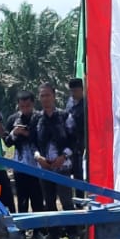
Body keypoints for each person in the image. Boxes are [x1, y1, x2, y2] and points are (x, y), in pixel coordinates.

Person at [34, 82, 75, 218]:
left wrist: (63, 156)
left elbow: (74, 141)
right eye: (42, 96)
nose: (45, 98)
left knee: (66, 202)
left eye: (48, 95)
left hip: (62, 166)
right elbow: (33, 143)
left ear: (54, 96)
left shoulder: (64, 117)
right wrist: (38, 157)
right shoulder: (37, 118)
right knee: (49, 201)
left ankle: (72, 232)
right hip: (44, 167)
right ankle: (53, 233)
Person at [5, 91, 44, 213]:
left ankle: (39, 230)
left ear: (33, 104)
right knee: (22, 199)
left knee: (37, 198)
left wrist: (26, 133)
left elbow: (42, 139)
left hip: (36, 165)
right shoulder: (13, 119)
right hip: (19, 165)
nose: (25, 109)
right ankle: (23, 229)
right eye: (22, 106)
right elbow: (7, 142)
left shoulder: (39, 118)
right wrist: (15, 133)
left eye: (28, 106)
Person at [64, 77, 86, 181]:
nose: (73, 93)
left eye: (76, 91)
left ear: (82, 89)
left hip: (82, 141)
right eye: (72, 91)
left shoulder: (87, 104)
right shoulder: (70, 102)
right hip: (70, 141)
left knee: (79, 172)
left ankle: (81, 195)